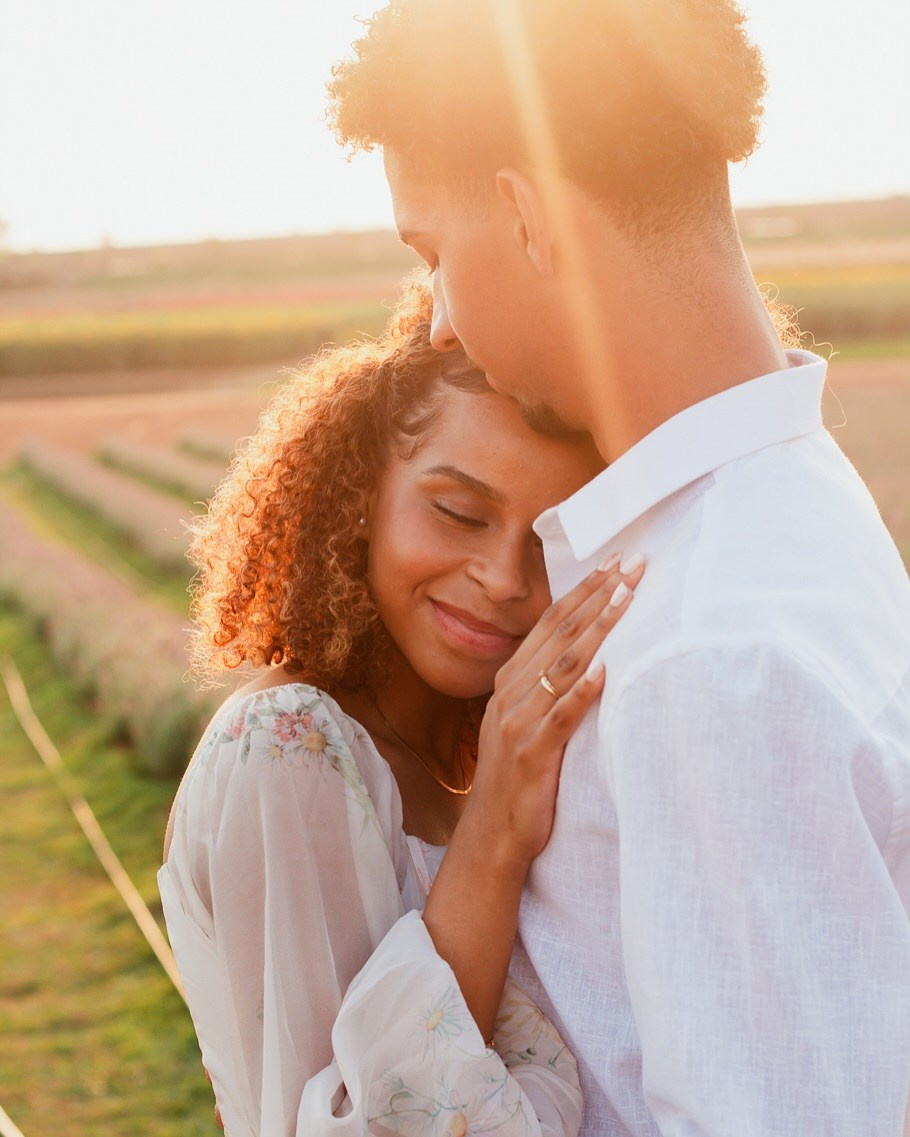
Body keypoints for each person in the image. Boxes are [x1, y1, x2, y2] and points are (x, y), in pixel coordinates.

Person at [327, 2, 910, 1134]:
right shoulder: (792, 502)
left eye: (435, 254)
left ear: (523, 213)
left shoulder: (711, 653)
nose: (438, 324)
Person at [158, 280, 645, 1135]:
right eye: (458, 512)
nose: (502, 577)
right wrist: (494, 830)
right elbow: (352, 1120)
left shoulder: (472, 746)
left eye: (550, 543)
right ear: (361, 497)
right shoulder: (286, 749)